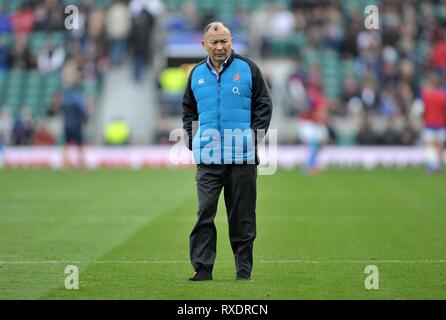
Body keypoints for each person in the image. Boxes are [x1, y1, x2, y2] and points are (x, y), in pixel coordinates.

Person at [182, 22, 273, 281]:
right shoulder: (196, 74)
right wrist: (193, 139)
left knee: (242, 216)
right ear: (204, 45)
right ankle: (202, 268)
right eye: (214, 42)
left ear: (231, 40)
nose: (220, 47)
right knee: (205, 213)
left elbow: (264, 104)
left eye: (224, 41)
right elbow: (188, 109)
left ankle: (243, 270)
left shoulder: (248, 69)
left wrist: (253, 139)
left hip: (242, 158)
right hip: (208, 159)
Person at [421, 73, 446, 173]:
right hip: (441, 123)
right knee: (440, 145)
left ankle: (431, 165)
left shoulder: (426, 95)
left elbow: (424, 110)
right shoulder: (443, 95)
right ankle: (438, 164)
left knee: (430, 144)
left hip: (429, 123)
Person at [61, 81, 88, 170]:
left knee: (66, 145)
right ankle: (81, 166)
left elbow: (62, 110)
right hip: (76, 125)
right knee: (79, 146)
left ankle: (64, 166)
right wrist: (85, 119)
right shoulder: (77, 97)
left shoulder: (66, 97)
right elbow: (82, 110)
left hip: (67, 125)